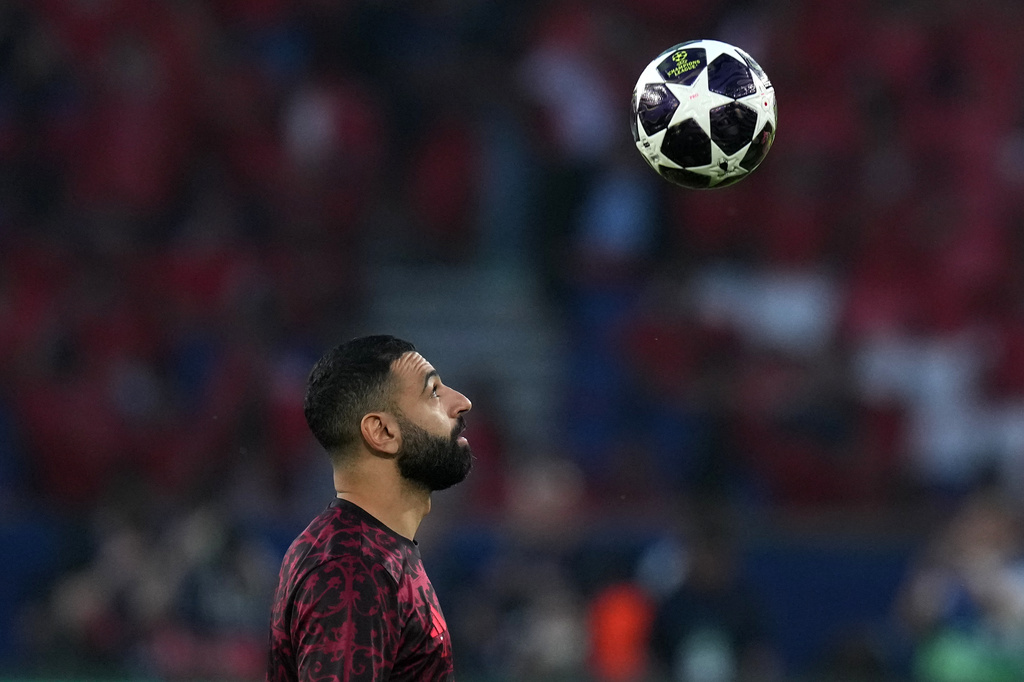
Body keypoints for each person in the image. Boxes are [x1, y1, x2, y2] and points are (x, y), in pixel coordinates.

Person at [267, 335, 473, 681]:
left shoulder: (372, 554)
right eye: (433, 392)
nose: (462, 402)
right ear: (382, 431)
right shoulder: (353, 570)